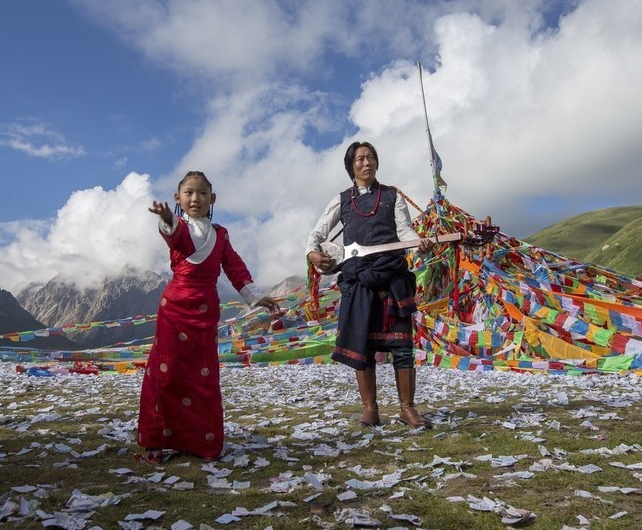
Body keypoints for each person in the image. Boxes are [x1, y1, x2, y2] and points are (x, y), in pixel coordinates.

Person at [138, 170, 280, 464]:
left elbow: (235, 267)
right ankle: (157, 439)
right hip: (175, 308)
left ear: (212, 198)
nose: (195, 198)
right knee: (167, 375)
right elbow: (175, 234)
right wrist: (166, 219)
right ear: (178, 199)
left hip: (205, 309)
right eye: (188, 193)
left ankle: (202, 443)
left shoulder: (221, 235)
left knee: (203, 377)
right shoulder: (178, 228)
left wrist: (255, 296)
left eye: (202, 193)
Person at [306, 141, 434, 428]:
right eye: (361, 159)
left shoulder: (391, 196)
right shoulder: (341, 200)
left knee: (402, 348)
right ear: (351, 166)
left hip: (392, 277)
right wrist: (314, 253)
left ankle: (407, 409)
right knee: (362, 347)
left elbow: (405, 231)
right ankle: (370, 409)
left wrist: (419, 245)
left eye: (371, 157)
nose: (367, 163)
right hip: (358, 280)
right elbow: (315, 235)